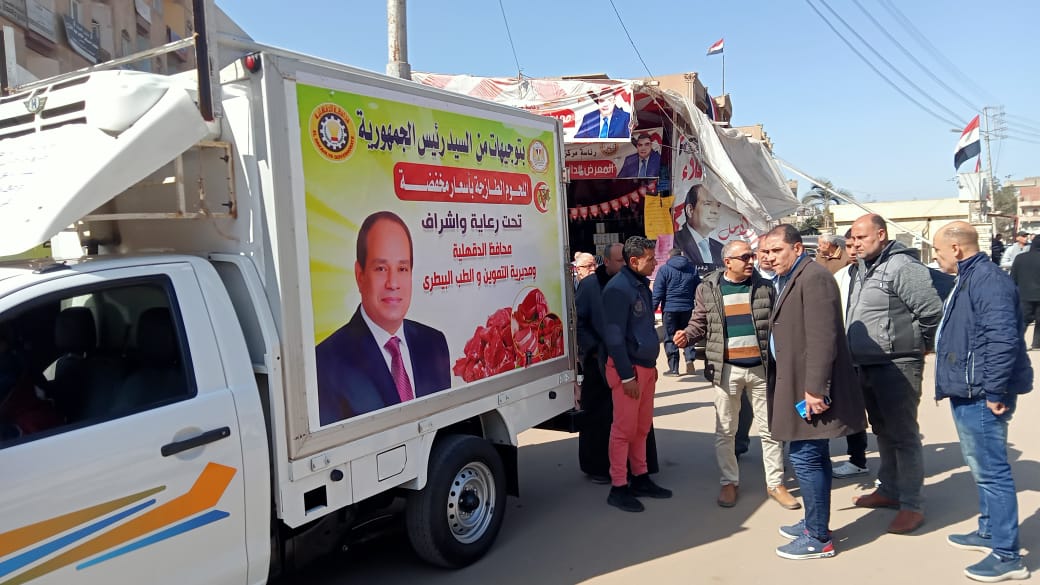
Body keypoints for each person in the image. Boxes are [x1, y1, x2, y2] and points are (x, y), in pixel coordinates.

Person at [932, 222, 1032, 583]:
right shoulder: (971, 277)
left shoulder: (987, 280)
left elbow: (1003, 339)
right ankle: (989, 531)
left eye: (938, 250)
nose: (936, 257)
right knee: (982, 468)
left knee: (992, 471)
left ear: (956, 249)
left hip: (982, 394)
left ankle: (1007, 557)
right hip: (970, 389)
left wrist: (994, 391)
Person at [759, 224, 865, 559]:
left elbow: (823, 338)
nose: (770, 257)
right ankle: (813, 522)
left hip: (809, 389)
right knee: (811, 455)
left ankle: (818, 538)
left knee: (805, 457)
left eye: (777, 250)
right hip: (796, 382)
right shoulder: (793, 277)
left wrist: (816, 390)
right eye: (767, 251)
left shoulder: (814, 277)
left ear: (797, 248)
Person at [673, 240, 800, 510]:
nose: (751, 261)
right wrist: (687, 335)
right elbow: (700, 321)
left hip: (761, 370)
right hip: (726, 370)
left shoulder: (765, 287)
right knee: (726, 431)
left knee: (770, 430)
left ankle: (775, 483)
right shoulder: (708, 288)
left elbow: (779, 324)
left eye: (751, 256)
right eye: (745, 257)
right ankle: (729, 481)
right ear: (727, 262)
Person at [845, 214, 943, 534]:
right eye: (853, 238)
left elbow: (932, 312)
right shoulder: (862, 267)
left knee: (903, 435)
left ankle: (912, 505)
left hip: (897, 364)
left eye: (862, 237)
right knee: (883, 431)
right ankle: (889, 489)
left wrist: (922, 346)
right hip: (866, 363)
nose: (855, 243)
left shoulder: (903, 266)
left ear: (881, 234)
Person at [316, 211, 450, 425]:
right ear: (360, 275)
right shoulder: (325, 362)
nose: (393, 283)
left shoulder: (434, 343)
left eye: (402, 268)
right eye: (381, 268)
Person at [575, 243, 660, 482]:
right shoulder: (590, 285)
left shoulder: (637, 284)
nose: (624, 264)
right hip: (600, 362)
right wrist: (594, 349)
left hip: (633, 361)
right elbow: (579, 323)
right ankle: (602, 470)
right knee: (601, 419)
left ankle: (639, 470)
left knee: (638, 422)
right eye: (619, 261)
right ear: (607, 262)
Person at [601, 236, 672, 512]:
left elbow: (642, 326)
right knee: (623, 431)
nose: (655, 263)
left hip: (645, 368)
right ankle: (619, 487)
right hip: (628, 371)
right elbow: (614, 338)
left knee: (641, 429)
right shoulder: (618, 289)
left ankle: (640, 477)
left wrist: (650, 367)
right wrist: (627, 376)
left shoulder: (639, 284)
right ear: (634, 261)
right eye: (650, 259)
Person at [832, 229, 870, 479]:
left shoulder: (883, 274)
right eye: (848, 245)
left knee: (883, 413)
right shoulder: (841, 276)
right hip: (847, 355)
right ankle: (858, 459)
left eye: (858, 244)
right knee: (852, 410)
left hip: (877, 356)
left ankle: (893, 471)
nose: (854, 250)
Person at [652, 249, 700, 376]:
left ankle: (674, 369)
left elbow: (658, 292)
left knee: (670, 337)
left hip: (669, 309)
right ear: (682, 255)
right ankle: (689, 360)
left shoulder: (664, 269)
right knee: (687, 334)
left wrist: (651, 310)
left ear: (669, 256)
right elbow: (699, 289)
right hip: (687, 308)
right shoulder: (692, 269)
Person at [673, 185, 724, 273]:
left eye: (718, 205)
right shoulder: (674, 242)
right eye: (707, 204)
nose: (715, 211)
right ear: (690, 210)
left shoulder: (720, 248)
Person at [1010, 237, 1040, 348]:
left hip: (1023, 295)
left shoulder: (1020, 258)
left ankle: (1016, 343)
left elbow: (1013, 278)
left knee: (1022, 321)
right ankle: (1037, 343)